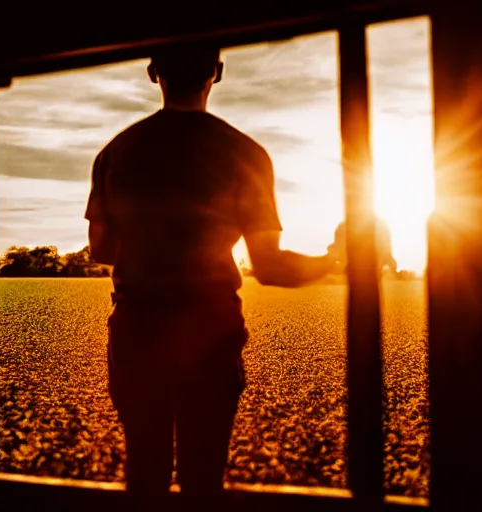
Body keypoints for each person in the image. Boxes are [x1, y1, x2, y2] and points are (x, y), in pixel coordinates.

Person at [84, 42, 343, 509]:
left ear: (152, 71)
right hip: (211, 330)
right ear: (217, 72)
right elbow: (269, 265)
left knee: (145, 474)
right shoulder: (245, 153)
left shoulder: (114, 154)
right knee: (204, 479)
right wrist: (335, 259)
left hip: (137, 332)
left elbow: (101, 249)